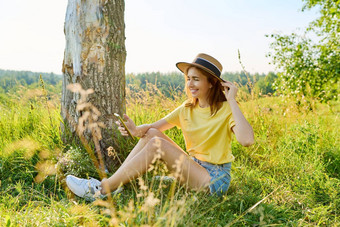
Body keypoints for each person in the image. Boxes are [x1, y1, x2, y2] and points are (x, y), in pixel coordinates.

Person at [66, 53, 254, 201]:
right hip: (195, 167)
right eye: (188, 79)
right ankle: (115, 183)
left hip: (215, 179)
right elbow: (151, 130)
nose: (190, 84)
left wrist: (232, 101)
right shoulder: (187, 108)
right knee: (153, 134)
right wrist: (134, 130)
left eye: (196, 79)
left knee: (158, 144)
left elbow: (246, 140)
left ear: (211, 83)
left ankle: (101, 189)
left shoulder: (226, 109)